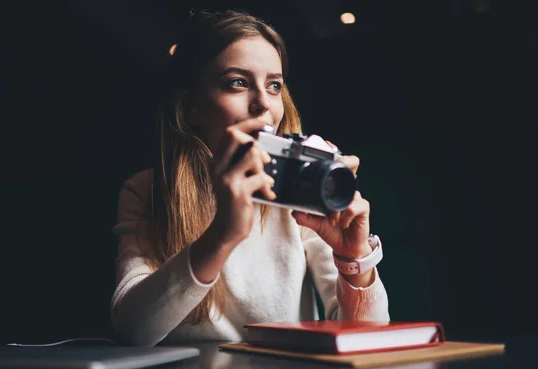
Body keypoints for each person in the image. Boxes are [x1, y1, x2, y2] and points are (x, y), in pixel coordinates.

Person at [110, 9, 389, 346]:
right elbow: (132, 330)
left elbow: (368, 336)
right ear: (193, 108)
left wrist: (354, 257)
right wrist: (222, 235)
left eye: (274, 86)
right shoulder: (147, 190)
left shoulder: (297, 189)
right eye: (238, 83)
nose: (262, 104)